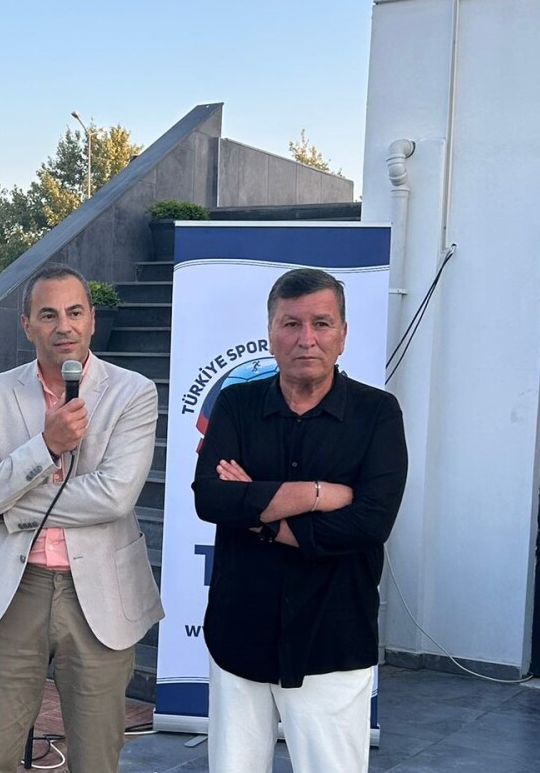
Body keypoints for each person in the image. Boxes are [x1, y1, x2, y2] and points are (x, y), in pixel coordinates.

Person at [193, 268, 407, 773]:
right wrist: (317, 494)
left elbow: (369, 523)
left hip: (332, 639)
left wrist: (259, 512)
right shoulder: (237, 404)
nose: (306, 338)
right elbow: (213, 500)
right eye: (291, 323)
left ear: (343, 335)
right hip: (240, 635)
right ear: (271, 332)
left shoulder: (378, 414)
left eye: (321, 323)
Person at [0, 264, 163, 773]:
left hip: (101, 595)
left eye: (74, 312)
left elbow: (113, 497)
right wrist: (45, 447)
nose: (63, 326)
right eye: (48, 315)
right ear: (26, 325)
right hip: (15, 587)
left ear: (92, 319)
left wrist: (11, 506)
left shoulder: (132, 392)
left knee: (95, 760)